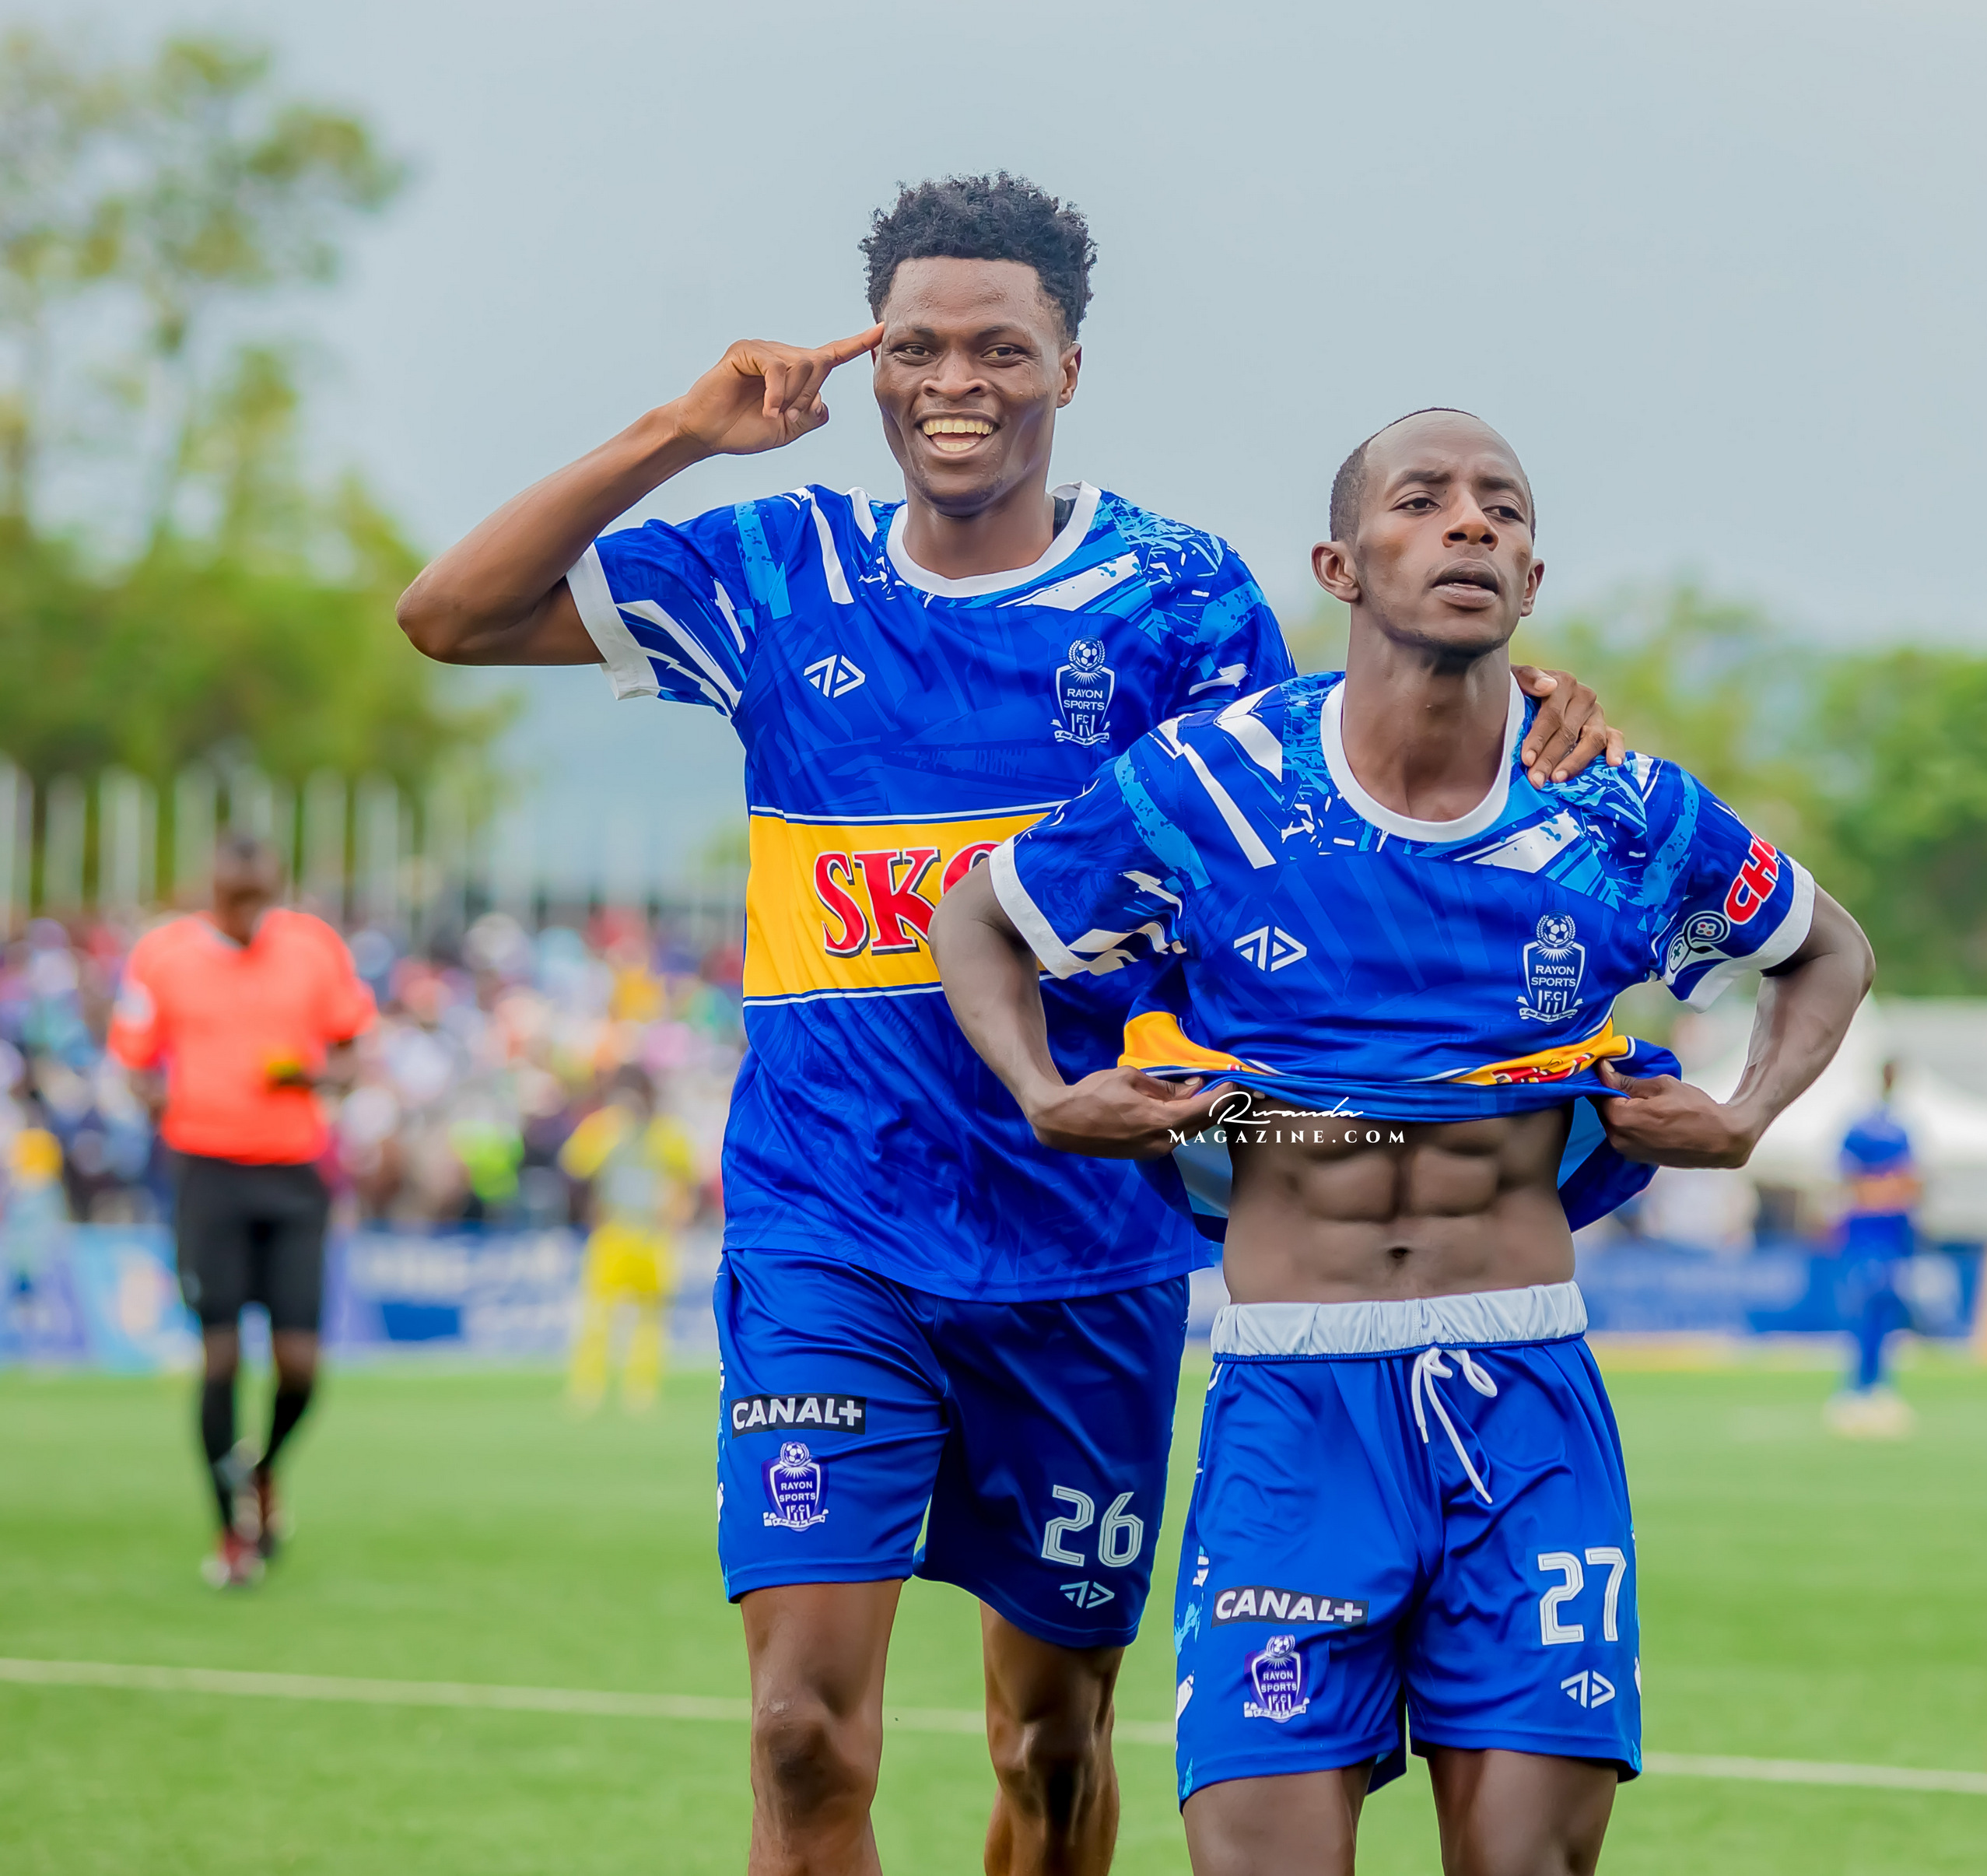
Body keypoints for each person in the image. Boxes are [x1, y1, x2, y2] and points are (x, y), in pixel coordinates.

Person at [394, 176, 1623, 1876]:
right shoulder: (779, 566)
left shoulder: (1175, 596)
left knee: (1049, 1747)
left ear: (1068, 369)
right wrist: (681, 431)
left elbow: (1316, 798)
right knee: (800, 1731)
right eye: (916, 347)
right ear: (874, 364)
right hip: (833, 1226)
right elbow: (448, 615)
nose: (953, 381)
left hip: (1085, 1250)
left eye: (999, 348)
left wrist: (1516, 697)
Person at [934, 409, 1871, 1875]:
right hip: (1291, 1409)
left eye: (1502, 506)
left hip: (1527, 1401)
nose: (1469, 522)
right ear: (1342, 565)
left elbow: (1827, 948)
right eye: (1423, 499)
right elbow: (980, 919)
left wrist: (1746, 1115)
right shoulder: (1214, 782)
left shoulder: (1616, 805)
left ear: (1533, 578)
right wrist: (1047, 1094)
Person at [107, 833, 376, 1588]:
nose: (252, 909)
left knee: (301, 1362)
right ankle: (230, 1529)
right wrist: (167, 1098)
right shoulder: (164, 956)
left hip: (294, 1172)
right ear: (214, 890)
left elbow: (352, 1049)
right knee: (220, 1355)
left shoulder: (313, 949)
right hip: (208, 1171)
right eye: (238, 896)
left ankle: (264, 1468)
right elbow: (133, 1060)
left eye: (263, 895)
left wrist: (317, 1075)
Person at [561, 1064, 699, 1411]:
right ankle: (587, 1388)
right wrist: (612, 1131)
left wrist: (678, 1214)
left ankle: (641, 1390)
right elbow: (573, 1165)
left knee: (650, 1318)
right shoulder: (605, 1128)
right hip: (612, 1231)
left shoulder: (667, 1134)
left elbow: (687, 1179)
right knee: (598, 1314)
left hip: (653, 1235)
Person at [1822, 1059, 1921, 1438]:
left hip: (1894, 1229)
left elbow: (1910, 1179)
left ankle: (1878, 1385)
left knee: (1886, 1308)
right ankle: (1856, 1389)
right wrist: (1883, 1190)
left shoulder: (1902, 1126)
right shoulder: (1862, 1126)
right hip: (1867, 1230)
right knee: (1865, 1305)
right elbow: (1848, 1176)